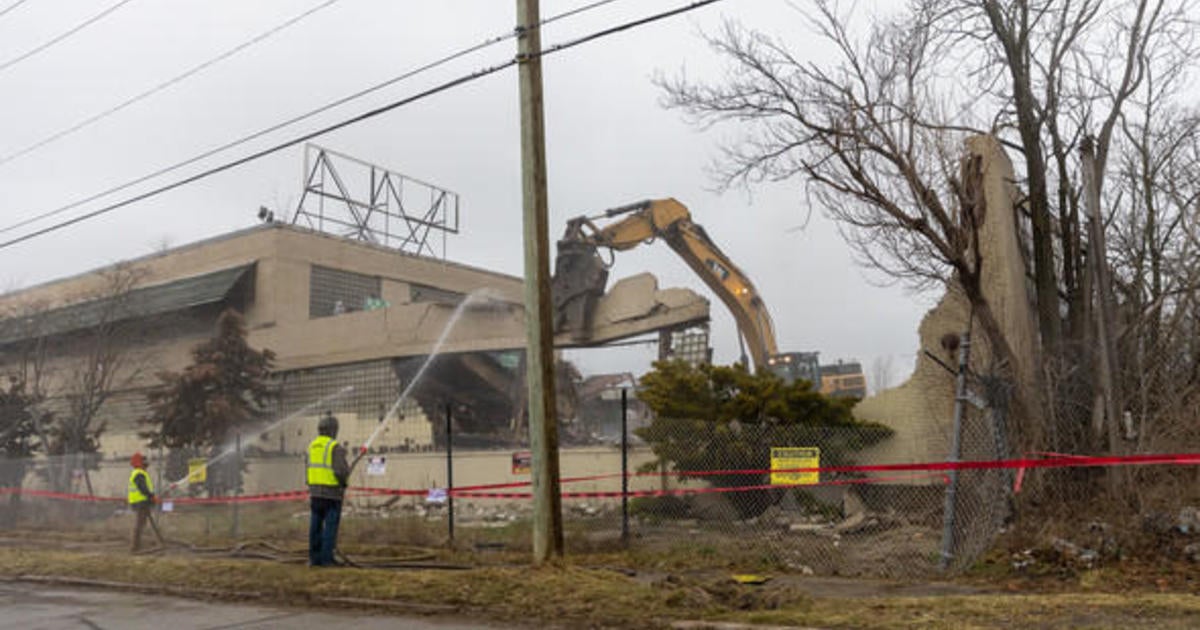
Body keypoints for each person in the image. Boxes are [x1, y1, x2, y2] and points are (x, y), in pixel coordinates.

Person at [307, 411, 350, 567]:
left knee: (315, 526)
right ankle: (327, 559)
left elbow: (308, 469)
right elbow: (340, 471)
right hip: (331, 494)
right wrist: (344, 482)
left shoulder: (312, 446)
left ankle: (314, 558)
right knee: (330, 527)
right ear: (333, 430)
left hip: (315, 494)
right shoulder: (334, 447)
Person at [128, 452, 155, 552]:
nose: (146, 464)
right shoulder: (139, 473)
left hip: (140, 502)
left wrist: (151, 497)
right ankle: (135, 547)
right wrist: (151, 496)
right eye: (144, 462)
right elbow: (143, 487)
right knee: (139, 524)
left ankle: (136, 545)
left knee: (141, 523)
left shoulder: (138, 473)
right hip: (141, 502)